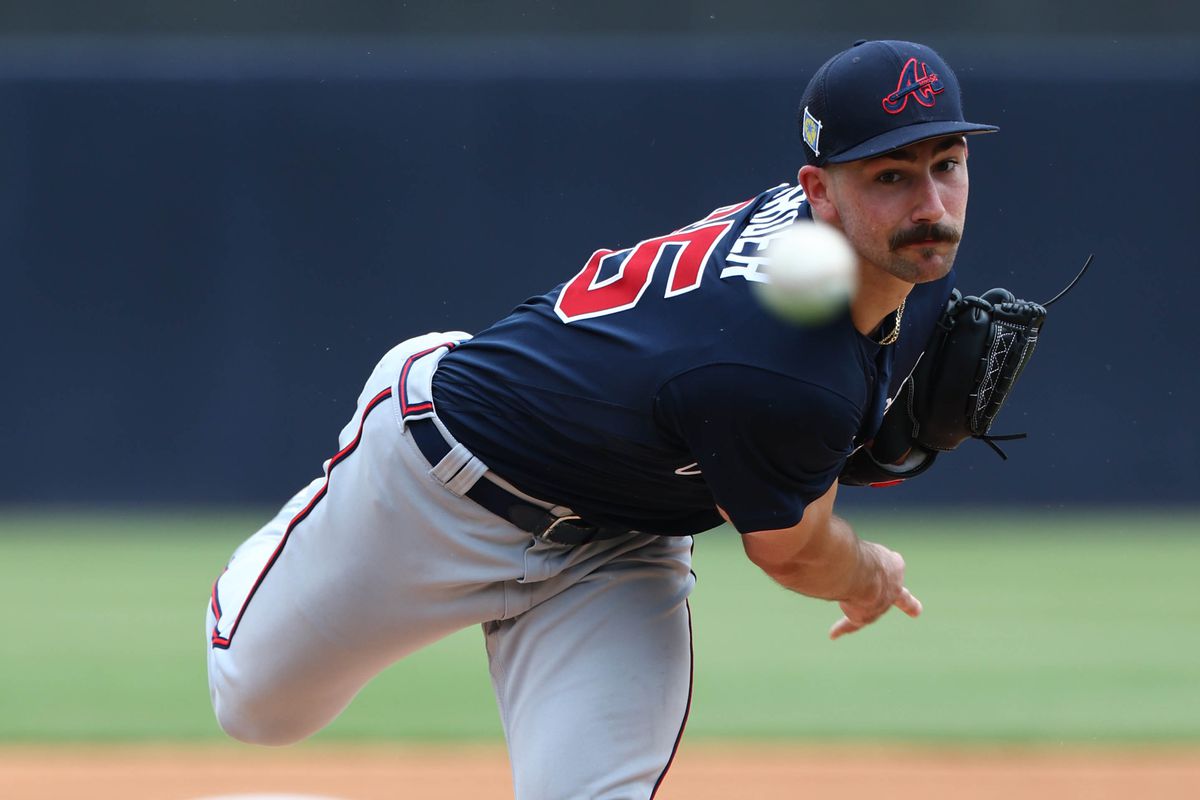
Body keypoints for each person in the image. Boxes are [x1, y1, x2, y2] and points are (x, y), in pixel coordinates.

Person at [206, 39, 998, 798]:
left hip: (618, 543)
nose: (930, 204)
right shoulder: (780, 367)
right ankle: (299, 535)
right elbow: (793, 552)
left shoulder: (864, 261)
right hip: (444, 471)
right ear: (818, 190)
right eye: (891, 175)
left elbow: (812, 385)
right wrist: (869, 575)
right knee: (255, 710)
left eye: (947, 165)